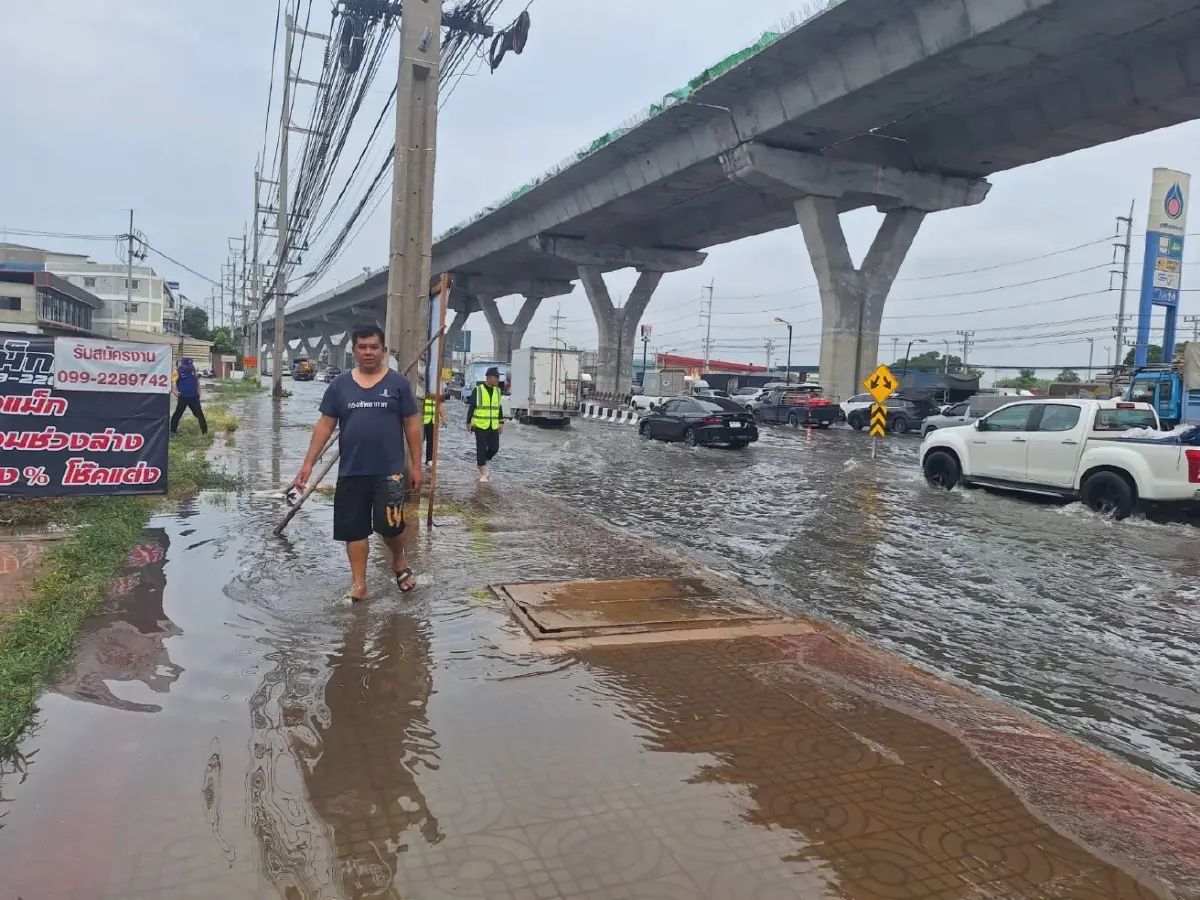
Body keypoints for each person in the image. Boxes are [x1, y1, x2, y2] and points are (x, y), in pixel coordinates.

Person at [292, 324, 424, 602]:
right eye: (362, 347)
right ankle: (359, 585)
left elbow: (412, 424)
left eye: (374, 347)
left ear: (383, 351)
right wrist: (308, 464)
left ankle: (398, 561)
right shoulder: (340, 385)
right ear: (354, 351)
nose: (368, 352)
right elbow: (325, 425)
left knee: (390, 526)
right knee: (355, 530)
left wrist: (417, 465)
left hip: (390, 472)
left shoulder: (398, 383)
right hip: (351, 471)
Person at [466, 366, 503, 483]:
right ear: (489, 377)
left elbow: (499, 407)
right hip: (480, 425)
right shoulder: (478, 390)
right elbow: (471, 407)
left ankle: (481, 461)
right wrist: (468, 422)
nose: (498, 380)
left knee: (494, 448)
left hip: (493, 425)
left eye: (498, 377)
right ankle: (482, 470)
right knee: (481, 448)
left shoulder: (498, 390)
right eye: (496, 377)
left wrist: (501, 422)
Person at [170, 357, 207, 435]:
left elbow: (197, 380)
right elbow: (170, 383)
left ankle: (205, 432)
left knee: (199, 414)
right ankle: (173, 431)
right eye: (187, 365)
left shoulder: (193, 370)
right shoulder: (177, 372)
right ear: (183, 364)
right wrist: (175, 392)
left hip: (194, 397)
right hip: (183, 397)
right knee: (177, 414)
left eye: (190, 365)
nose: (189, 367)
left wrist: (199, 391)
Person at [422, 392, 445, 467]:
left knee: (431, 442)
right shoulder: (424, 392)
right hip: (423, 421)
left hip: (432, 421)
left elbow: (440, 406)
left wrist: (443, 419)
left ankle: (429, 460)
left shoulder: (437, 392)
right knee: (420, 441)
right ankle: (418, 460)